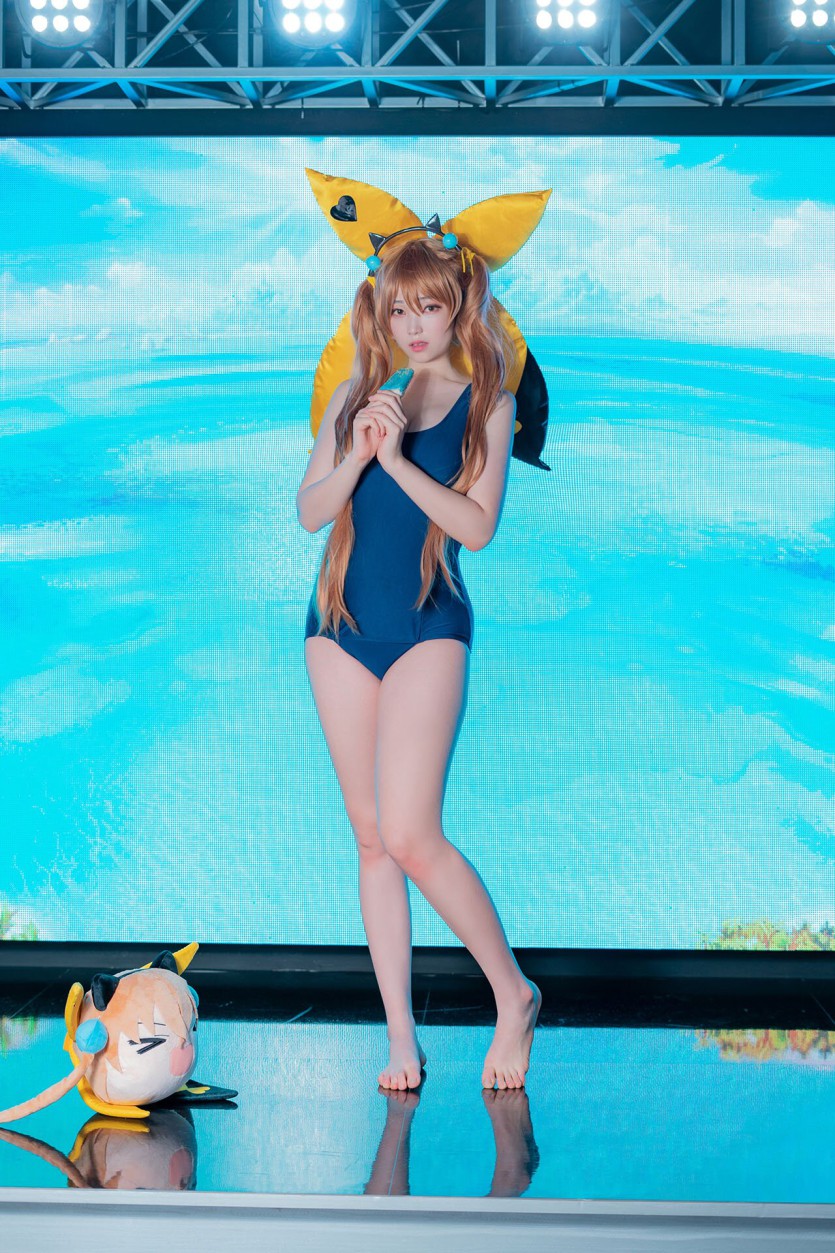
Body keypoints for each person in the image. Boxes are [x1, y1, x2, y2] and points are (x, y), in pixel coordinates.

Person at [296, 229, 541, 1093]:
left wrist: (395, 461)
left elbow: (477, 525)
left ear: (457, 306)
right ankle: (401, 1038)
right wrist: (362, 450)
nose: (412, 324)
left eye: (427, 306)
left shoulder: (487, 402)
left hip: (429, 625)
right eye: (397, 309)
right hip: (336, 627)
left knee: (409, 831)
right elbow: (311, 512)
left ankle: (513, 993)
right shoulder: (355, 396)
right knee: (370, 839)